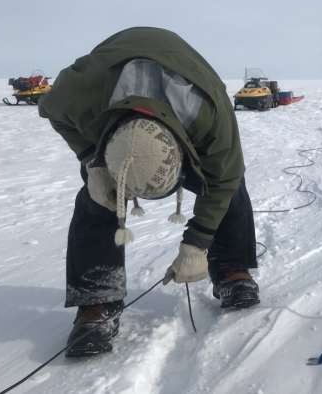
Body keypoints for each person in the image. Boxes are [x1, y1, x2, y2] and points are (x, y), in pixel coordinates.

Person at [39, 26, 259, 357]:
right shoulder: (76, 96)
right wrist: (93, 162)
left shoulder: (207, 113)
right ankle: (97, 302)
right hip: (111, 89)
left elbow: (223, 179)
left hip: (183, 86)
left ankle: (231, 270)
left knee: (229, 184)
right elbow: (52, 110)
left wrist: (197, 243)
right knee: (97, 199)